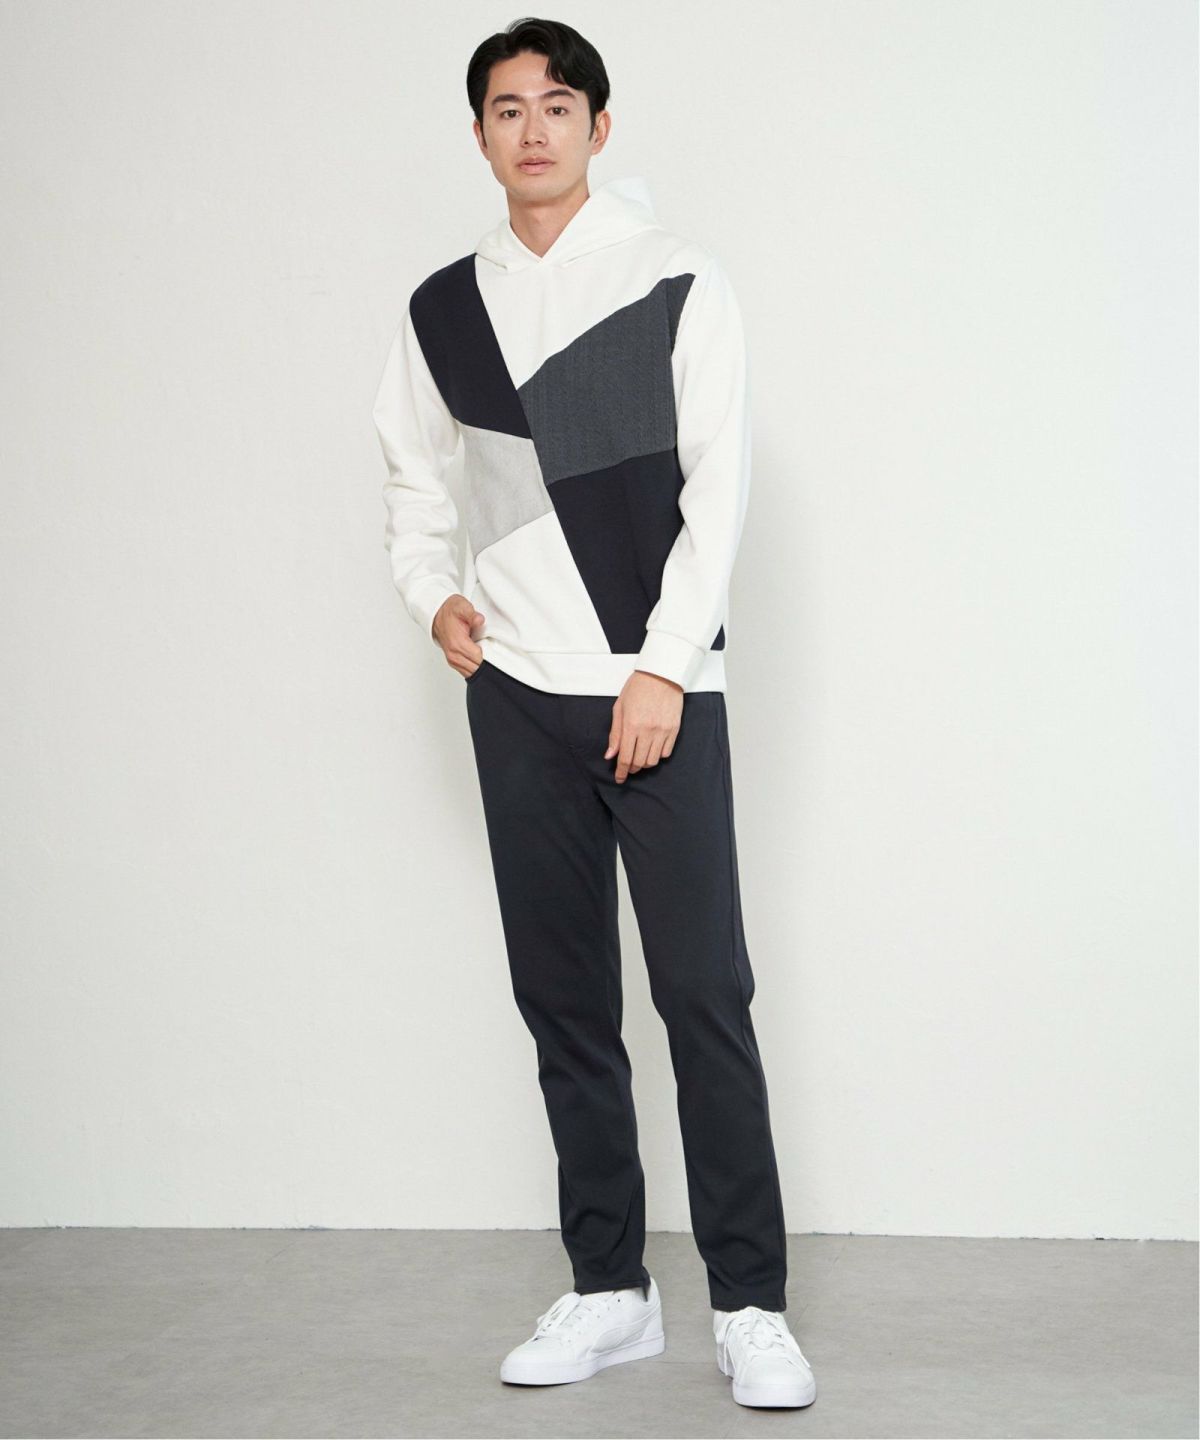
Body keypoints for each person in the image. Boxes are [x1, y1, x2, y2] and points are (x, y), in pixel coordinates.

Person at [371, 16, 816, 1412]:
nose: (534, 129)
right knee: (564, 1002)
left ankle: (750, 1304)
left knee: (703, 997)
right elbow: (415, 479)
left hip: (658, 692)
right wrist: (430, 595)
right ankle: (610, 1289)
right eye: (507, 109)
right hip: (515, 695)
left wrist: (664, 663)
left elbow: (720, 483)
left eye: (558, 104)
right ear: (481, 135)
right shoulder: (445, 307)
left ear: (599, 127)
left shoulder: (676, 277)